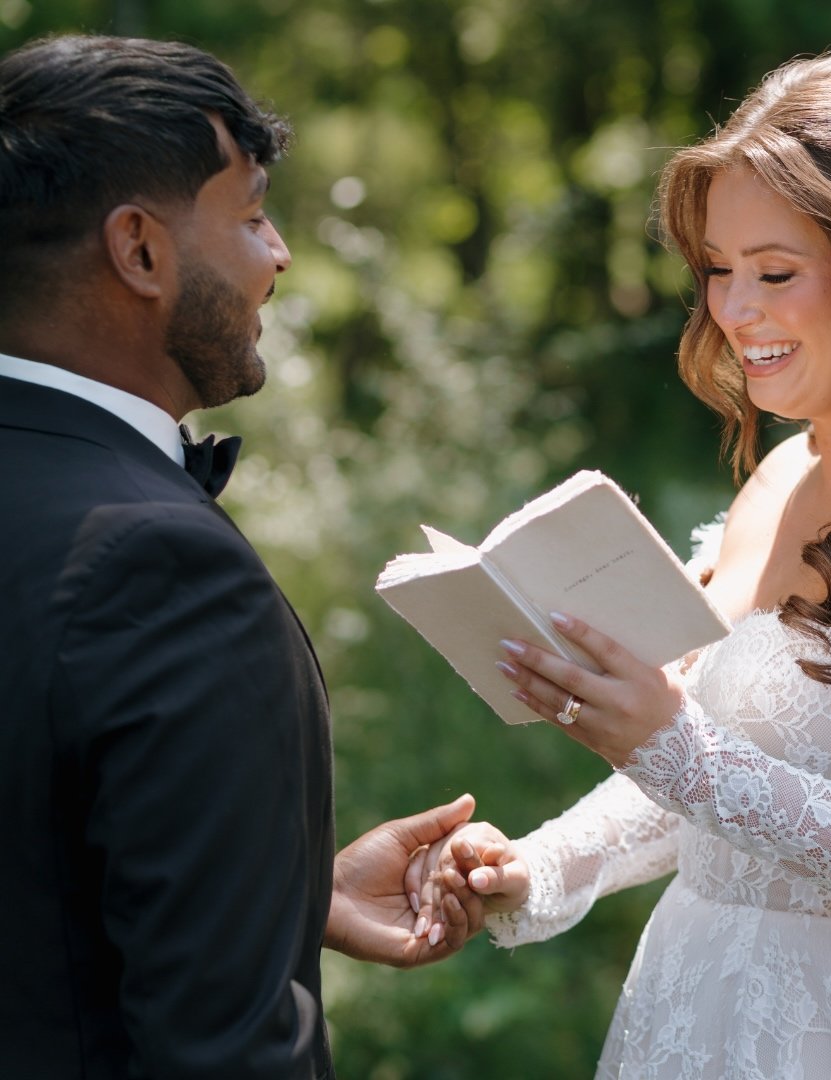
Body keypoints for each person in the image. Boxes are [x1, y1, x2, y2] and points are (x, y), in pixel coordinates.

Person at [410, 50, 831, 1078]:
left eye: (776, 271)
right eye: (719, 269)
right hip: (710, 1007)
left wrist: (677, 750)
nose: (734, 309)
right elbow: (722, 781)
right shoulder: (781, 476)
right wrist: (538, 867)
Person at [0, 34, 480, 1080]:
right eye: (253, 214)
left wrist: (286, 894)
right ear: (140, 251)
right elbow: (226, 1052)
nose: (280, 255)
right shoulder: (163, 565)